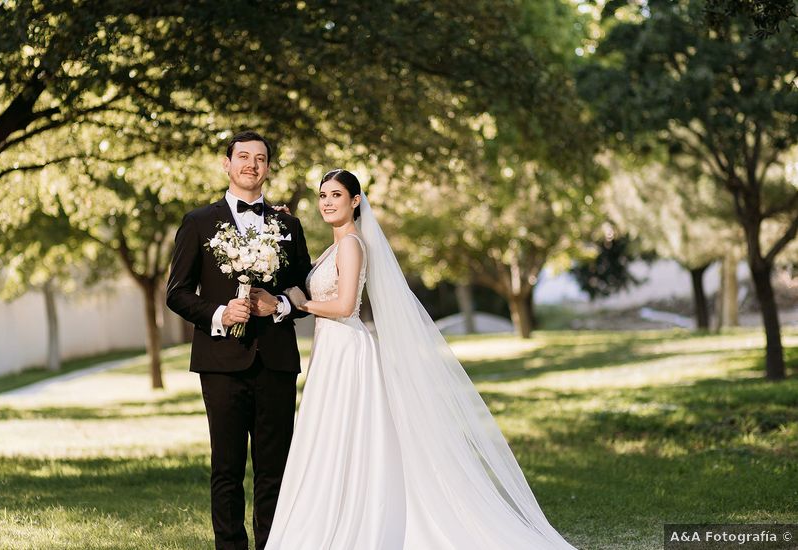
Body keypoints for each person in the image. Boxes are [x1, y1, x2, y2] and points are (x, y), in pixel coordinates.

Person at [266, 169, 578, 549]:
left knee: (346, 431)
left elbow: (346, 305)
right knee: (331, 433)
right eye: (322, 195)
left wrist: (300, 303)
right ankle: (335, 509)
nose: (327, 202)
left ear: (355, 201)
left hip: (347, 349)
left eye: (336, 195)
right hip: (331, 350)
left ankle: (357, 517)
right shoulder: (335, 247)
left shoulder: (351, 245)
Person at [165, 131, 312, 550]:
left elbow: (307, 291)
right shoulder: (197, 223)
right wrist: (219, 314)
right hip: (220, 363)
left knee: (275, 470)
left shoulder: (289, 225)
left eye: (260, 158)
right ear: (226, 164)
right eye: (243, 156)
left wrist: (280, 304)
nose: (251, 164)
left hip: (277, 362)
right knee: (226, 469)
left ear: (268, 167)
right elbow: (176, 293)